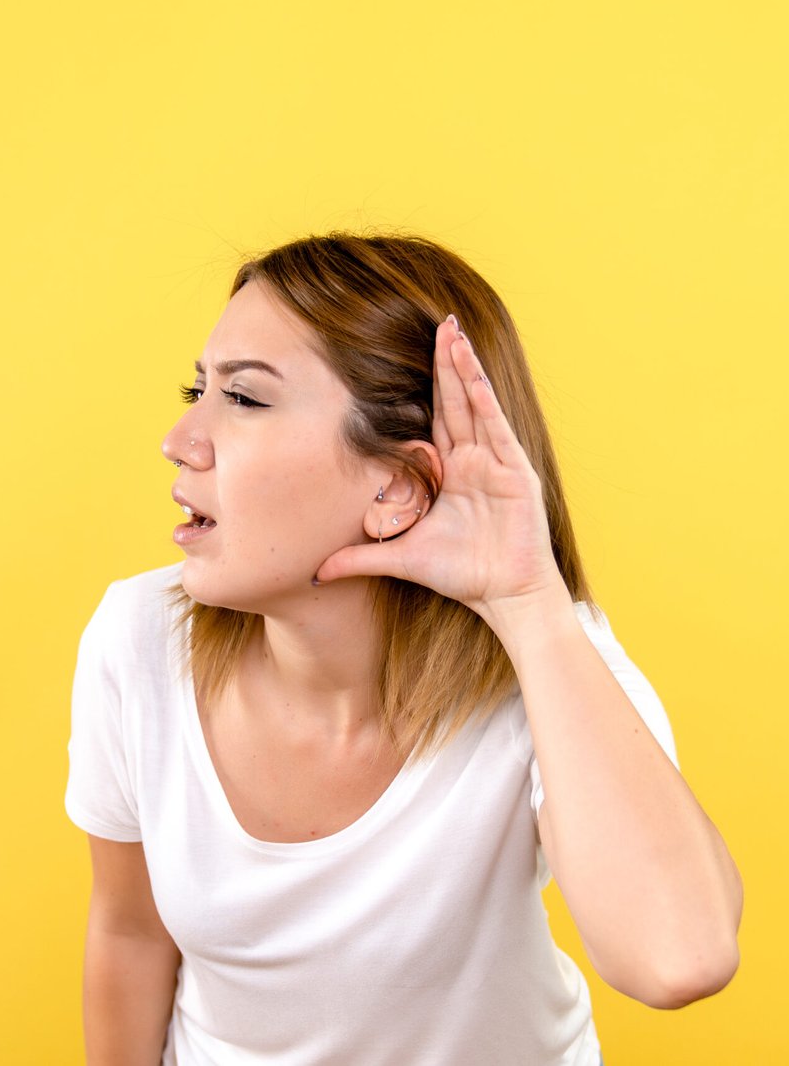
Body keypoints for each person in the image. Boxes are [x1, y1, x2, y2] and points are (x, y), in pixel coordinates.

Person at [65, 231, 743, 1065]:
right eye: (197, 388)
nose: (180, 437)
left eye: (243, 399)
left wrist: (529, 606)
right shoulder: (137, 642)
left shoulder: (550, 662)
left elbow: (681, 957)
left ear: (392, 486)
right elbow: (130, 935)